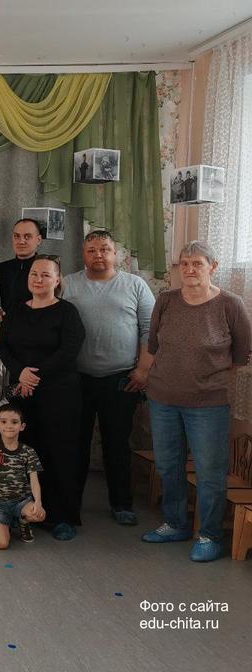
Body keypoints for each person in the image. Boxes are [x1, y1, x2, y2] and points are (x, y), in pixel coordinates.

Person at [141, 241, 252, 562]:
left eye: (197, 264)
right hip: (163, 399)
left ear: (212, 267)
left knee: (210, 471)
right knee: (168, 464)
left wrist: (205, 378)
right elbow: (154, 345)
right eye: (185, 264)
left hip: (209, 404)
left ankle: (210, 535)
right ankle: (175, 524)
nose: (189, 270)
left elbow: (240, 355)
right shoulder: (166, 300)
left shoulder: (230, 304)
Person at [62, 230, 155, 526]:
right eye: (91, 250)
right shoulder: (67, 284)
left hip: (121, 379)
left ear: (116, 254)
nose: (98, 254)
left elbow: (150, 330)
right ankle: (70, 506)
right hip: (77, 379)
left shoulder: (135, 285)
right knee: (76, 445)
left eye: (104, 249)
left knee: (117, 444)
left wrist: (143, 370)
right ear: (83, 255)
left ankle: (122, 504)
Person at [0, 255, 86, 541]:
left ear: (57, 280)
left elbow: (70, 349)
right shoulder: (16, 311)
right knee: (25, 453)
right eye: (34, 274)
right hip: (23, 394)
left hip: (59, 394)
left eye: (46, 275)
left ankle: (63, 516)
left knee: (59, 453)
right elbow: (2, 347)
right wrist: (20, 372)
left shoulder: (67, 312)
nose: (38, 279)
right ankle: (27, 510)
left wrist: (35, 375)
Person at [0, 404, 46, 549]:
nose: (9, 426)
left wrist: (38, 502)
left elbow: (34, 481)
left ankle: (23, 521)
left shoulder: (28, 452)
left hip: (21, 501)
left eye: (14, 422)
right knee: (1, 544)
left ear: (22, 426)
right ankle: (4, 523)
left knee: (40, 515)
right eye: (3, 422)